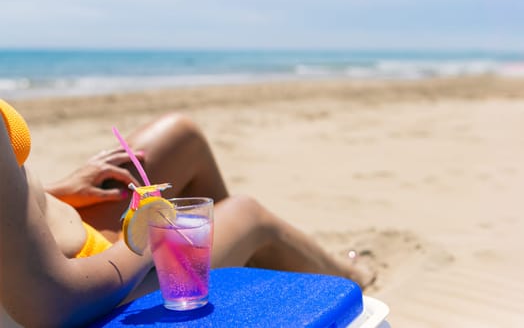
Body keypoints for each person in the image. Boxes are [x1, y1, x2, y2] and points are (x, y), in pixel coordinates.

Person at [0, 99, 374, 327]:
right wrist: (152, 238)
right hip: (84, 292)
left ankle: (231, 278)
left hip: (47, 240)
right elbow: (49, 303)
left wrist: (50, 192)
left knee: (181, 137)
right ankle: (352, 278)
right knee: (247, 214)